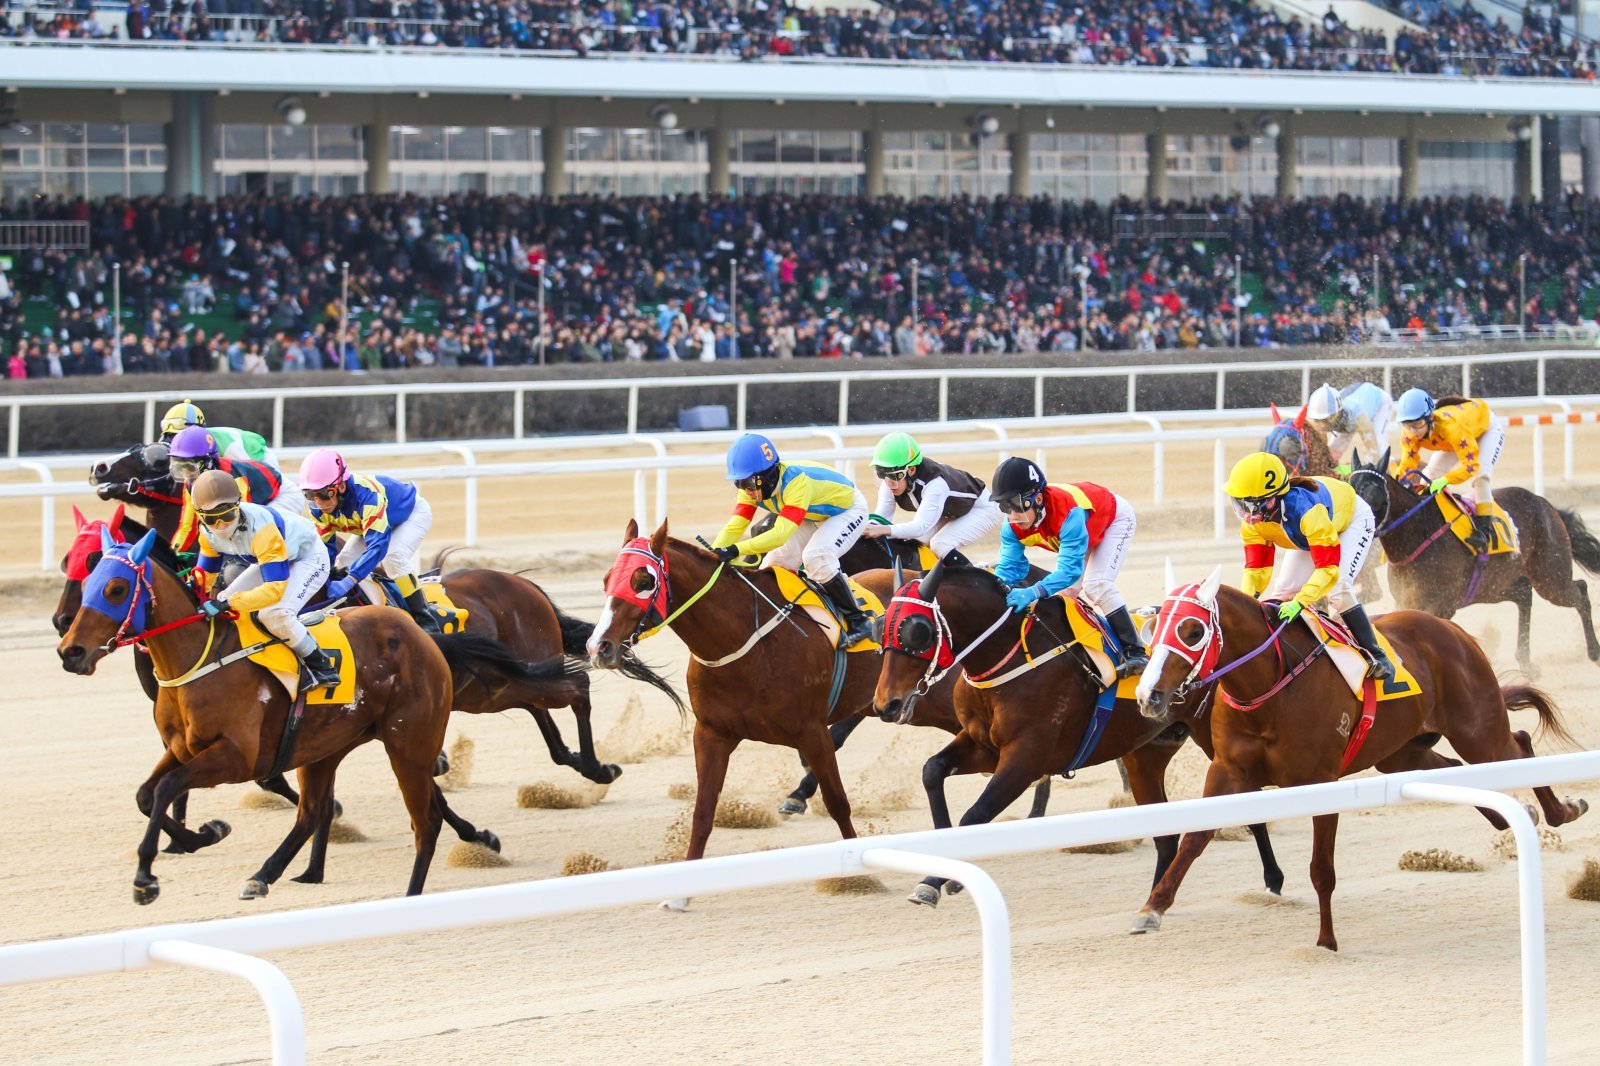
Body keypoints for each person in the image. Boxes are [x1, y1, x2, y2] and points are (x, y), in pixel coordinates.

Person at [1223, 452, 1394, 682]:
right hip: (1307, 534)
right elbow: (1257, 569)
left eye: (1248, 504)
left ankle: (1376, 655)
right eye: (1239, 503)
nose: (1244, 513)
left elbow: (1328, 569)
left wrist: (1301, 602)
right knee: (1283, 591)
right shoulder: (1255, 522)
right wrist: (1246, 602)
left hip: (1350, 521)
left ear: (1270, 500)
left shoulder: (1305, 511)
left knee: (1338, 590)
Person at [710, 432, 874, 648]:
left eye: (748, 483)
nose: (745, 490)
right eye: (738, 483)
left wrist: (734, 550)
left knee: (816, 557)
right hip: (813, 514)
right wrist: (712, 554)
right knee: (772, 565)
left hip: (847, 511)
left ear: (766, 477)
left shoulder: (797, 484)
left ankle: (859, 621)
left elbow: (779, 535)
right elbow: (735, 526)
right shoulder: (749, 489)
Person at [989, 456, 1147, 679]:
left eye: (1016, 504)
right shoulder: (1011, 527)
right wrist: (994, 588)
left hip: (1113, 519)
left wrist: (1033, 591)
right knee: (1068, 593)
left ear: (1038, 499)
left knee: (1096, 585)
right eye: (1004, 505)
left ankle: (1136, 652)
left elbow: (1069, 571)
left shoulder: (1067, 514)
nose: (1012, 515)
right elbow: (1008, 569)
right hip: (1081, 530)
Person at [187, 469, 340, 688]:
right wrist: (196, 591)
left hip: (308, 557)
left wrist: (229, 603)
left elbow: (274, 590)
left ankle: (322, 667)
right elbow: (205, 574)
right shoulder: (206, 532)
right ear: (201, 516)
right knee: (223, 594)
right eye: (212, 518)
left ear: (237, 506)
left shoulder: (262, 530)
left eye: (227, 515)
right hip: (271, 558)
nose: (221, 525)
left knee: (274, 614)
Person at [297, 448, 441, 634]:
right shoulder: (317, 510)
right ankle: (378, 606)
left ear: (341, 486)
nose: (318, 502)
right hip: (373, 524)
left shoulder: (367, 497)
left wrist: (350, 580)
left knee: (393, 558)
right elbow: (326, 550)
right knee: (343, 563)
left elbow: (378, 547)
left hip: (409, 515)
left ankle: (426, 619)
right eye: (309, 495)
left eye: (324, 494)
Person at [1392, 388, 1509, 553]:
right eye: (1407, 425)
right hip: (1455, 438)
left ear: (1430, 417)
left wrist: (1446, 479)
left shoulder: (1451, 427)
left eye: (1417, 425)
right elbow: (1407, 464)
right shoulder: (1409, 435)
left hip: (1485, 430)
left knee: (1480, 478)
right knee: (1428, 475)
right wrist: (1396, 483)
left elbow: (1470, 466)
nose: (1413, 432)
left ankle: (1484, 531)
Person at [861, 431, 1001, 566]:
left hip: (980, 508)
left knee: (940, 544)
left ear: (911, 470)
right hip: (950, 510)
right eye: (881, 473)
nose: (888, 481)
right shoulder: (891, 482)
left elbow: (919, 527)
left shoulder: (935, 484)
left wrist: (884, 529)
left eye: (895, 475)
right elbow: (880, 519)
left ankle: (973, 580)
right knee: (918, 542)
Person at [166, 425, 301, 555]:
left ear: (206, 462)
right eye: (179, 467)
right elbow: (187, 527)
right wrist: (172, 555)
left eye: (188, 467)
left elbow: (242, 523)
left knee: (257, 536)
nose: (184, 474)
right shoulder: (191, 480)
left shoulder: (234, 479)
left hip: (284, 496)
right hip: (260, 500)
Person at [158, 398, 282, 471]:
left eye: (179, 436)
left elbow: (249, 472)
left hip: (259, 459)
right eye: (171, 436)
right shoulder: (166, 441)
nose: (176, 441)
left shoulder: (226, 444)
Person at [1306, 381, 1393, 473]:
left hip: (1380, 403)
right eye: (1318, 420)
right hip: (1347, 415)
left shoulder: (1355, 415)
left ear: (1337, 413)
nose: (1323, 425)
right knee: (1332, 454)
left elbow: (1374, 451)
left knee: (1380, 450)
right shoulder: (1315, 416)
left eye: (1327, 419)